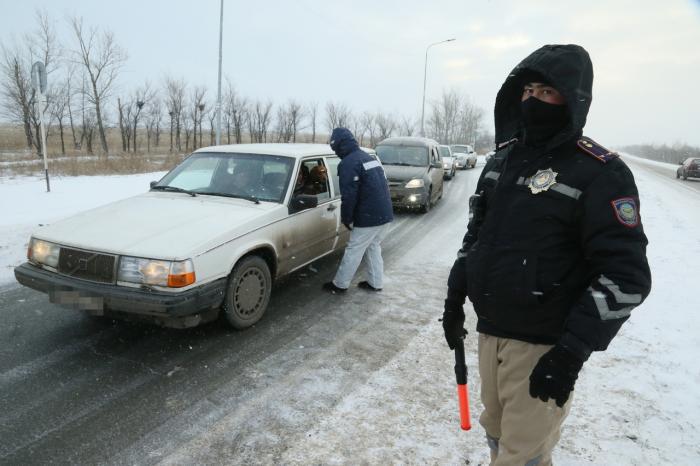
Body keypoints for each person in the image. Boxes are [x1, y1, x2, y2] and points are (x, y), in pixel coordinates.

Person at [441, 44, 651, 465]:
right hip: (491, 331)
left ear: (572, 99)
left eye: (547, 92)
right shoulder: (502, 160)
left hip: (542, 345)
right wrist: (454, 295)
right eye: (528, 90)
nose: (533, 100)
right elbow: (476, 235)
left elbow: (627, 277)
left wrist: (570, 353)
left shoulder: (599, 171)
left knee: (524, 455)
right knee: (497, 433)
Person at [322, 127, 393, 293]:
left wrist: (347, 218)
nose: (336, 152)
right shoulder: (368, 158)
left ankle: (339, 285)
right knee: (373, 247)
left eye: (335, 148)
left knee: (353, 250)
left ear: (340, 146)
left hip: (369, 217)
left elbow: (349, 196)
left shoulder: (348, 164)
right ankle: (376, 282)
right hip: (384, 214)